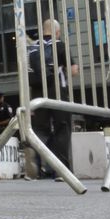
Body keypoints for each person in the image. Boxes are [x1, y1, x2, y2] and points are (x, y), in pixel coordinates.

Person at [29, 19, 78, 181]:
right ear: (57, 32)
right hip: (57, 92)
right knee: (62, 129)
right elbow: (73, 71)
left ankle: (37, 166)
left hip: (37, 94)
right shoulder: (60, 45)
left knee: (39, 131)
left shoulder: (33, 47)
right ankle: (61, 170)